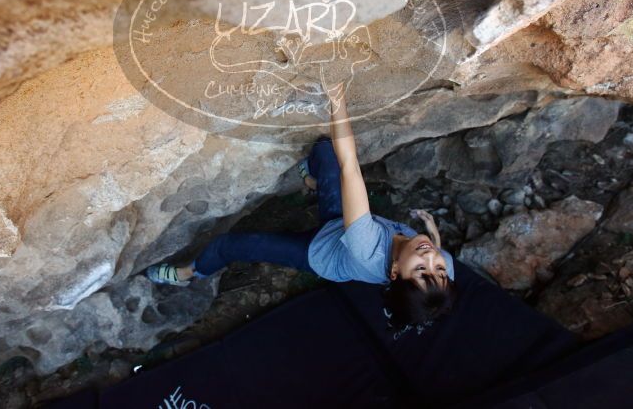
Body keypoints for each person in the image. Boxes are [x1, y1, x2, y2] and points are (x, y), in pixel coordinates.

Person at [146, 92, 457, 328]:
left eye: (421, 269)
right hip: (341, 223)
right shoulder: (437, 259)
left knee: (230, 245)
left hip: (318, 252)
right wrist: (434, 238)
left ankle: (190, 273)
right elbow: (433, 258)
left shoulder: (367, 249)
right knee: (323, 150)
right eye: (439, 269)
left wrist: (336, 95)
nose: (431, 258)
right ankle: (313, 183)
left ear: (392, 273)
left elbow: (350, 166)